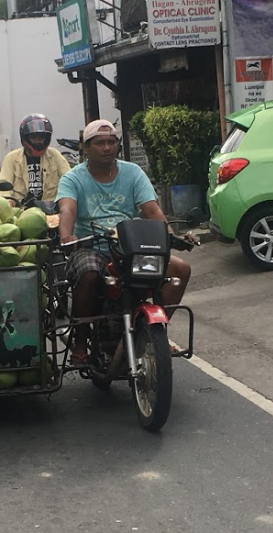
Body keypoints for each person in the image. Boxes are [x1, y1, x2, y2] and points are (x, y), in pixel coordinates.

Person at [57, 119, 195, 364]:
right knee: (88, 274)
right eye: (99, 143)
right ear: (86, 148)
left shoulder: (133, 172)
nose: (107, 147)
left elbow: (152, 211)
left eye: (111, 142)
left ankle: (156, 333)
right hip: (92, 246)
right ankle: (80, 343)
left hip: (130, 248)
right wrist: (67, 236)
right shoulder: (73, 178)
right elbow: (67, 209)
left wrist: (170, 235)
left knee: (180, 269)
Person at [0, 113, 70, 207]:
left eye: (41, 138)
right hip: (21, 208)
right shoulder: (12, 158)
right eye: (33, 138)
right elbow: (4, 186)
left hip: (50, 209)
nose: (38, 141)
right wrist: (9, 202)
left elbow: (70, 179)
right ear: (25, 138)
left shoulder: (54, 155)